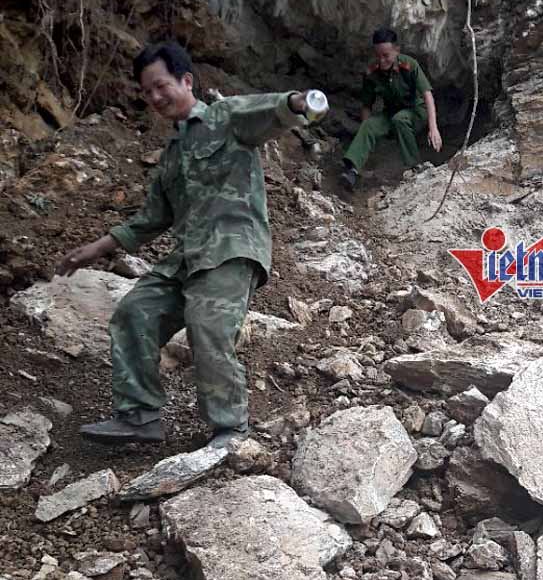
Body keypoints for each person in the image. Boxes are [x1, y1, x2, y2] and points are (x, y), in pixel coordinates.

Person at [55, 40, 323, 449]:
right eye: (147, 92)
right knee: (134, 313)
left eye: (161, 85)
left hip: (231, 249)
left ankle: (230, 429)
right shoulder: (171, 156)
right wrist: (97, 247)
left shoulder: (224, 117)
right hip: (186, 258)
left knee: (207, 325)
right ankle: (139, 417)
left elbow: (272, 112)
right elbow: (151, 219)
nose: (156, 97)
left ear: (186, 80)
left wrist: (299, 102)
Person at [340, 28, 442, 190]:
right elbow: (367, 105)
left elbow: (427, 94)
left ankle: (415, 167)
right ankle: (352, 170)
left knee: (400, 119)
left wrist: (433, 128)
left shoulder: (409, 65)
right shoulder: (372, 72)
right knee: (370, 125)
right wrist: (367, 134)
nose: (381, 61)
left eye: (386, 56)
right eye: (378, 56)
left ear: (397, 50)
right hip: (391, 113)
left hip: (416, 112)